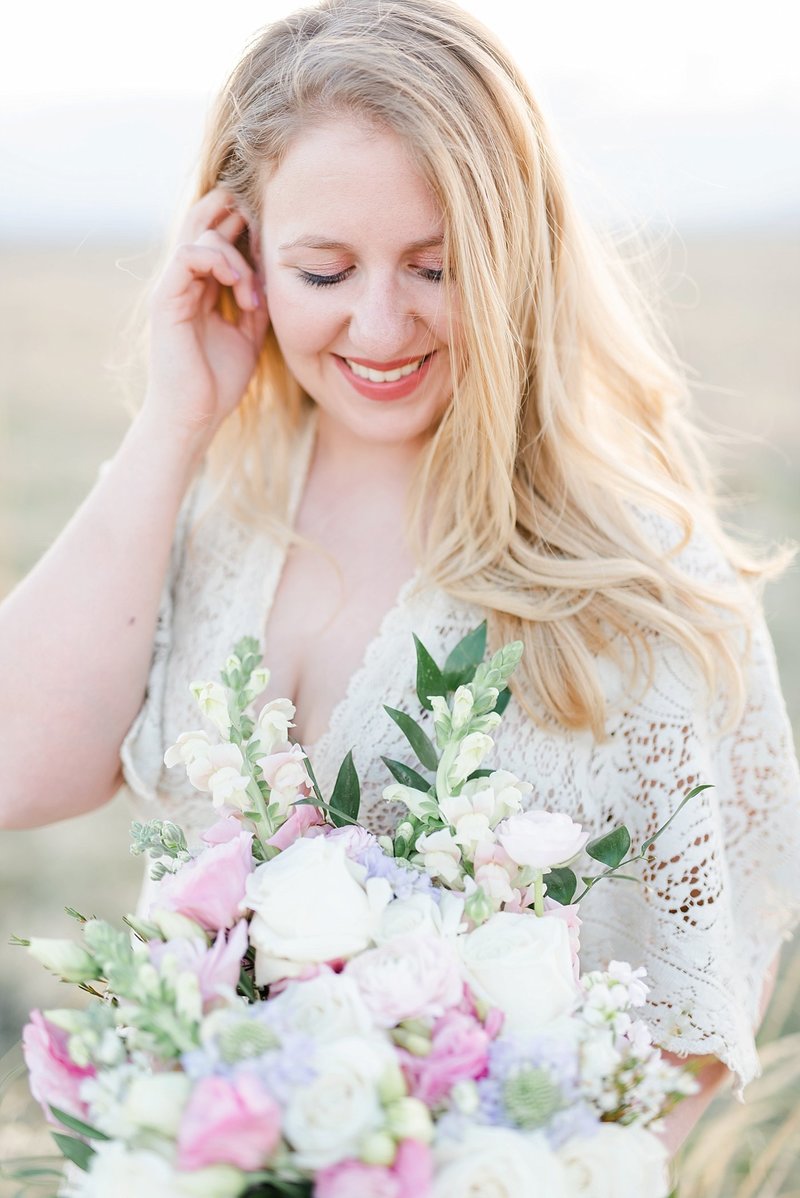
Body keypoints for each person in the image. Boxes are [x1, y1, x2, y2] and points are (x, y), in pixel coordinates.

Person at [1, 0, 798, 1159]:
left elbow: (677, 1042)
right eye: (323, 269)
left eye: (436, 266)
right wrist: (174, 418)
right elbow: (15, 765)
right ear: (243, 255)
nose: (380, 326)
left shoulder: (634, 577)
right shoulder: (211, 516)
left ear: (516, 255)